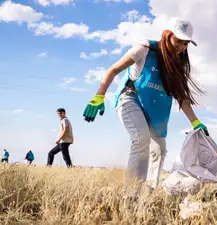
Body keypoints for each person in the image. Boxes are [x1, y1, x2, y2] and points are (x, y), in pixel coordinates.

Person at [82, 17, 209, 190]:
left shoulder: (178, 64)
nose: (181, 46)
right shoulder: (145, 49)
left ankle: (149, 189)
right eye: (178, 40)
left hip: (153, 108)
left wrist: (196, 122)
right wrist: (99, 96)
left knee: (159, 149)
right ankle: (132, 194)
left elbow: (182, 98)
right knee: (141, 139)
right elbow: (113, 70)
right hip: (130, 98)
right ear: (167, 35)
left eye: (186, 43)